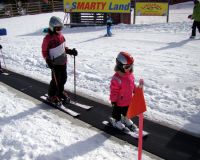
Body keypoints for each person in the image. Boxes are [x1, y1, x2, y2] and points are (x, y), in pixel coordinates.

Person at [42, 16, 78, 105]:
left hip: (63, 62)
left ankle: (60, 92)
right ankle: (51, 95)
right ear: (52, 27)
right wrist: (47, 60)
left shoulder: (61, 36)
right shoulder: (47, 39)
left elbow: (63, 48)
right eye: (58, 28)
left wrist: (70, 51)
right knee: (55, 81)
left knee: (63, 79)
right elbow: (44, 51)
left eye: (61, 28)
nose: (59, 30)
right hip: (54, 64)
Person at [109, 52, 144, 131]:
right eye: (127, 66)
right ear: (120, 66)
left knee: (127, 111)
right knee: (117, 112)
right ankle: (116, 121)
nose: (129, 68)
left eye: (131, 66)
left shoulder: (130, 75)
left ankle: (126, 119)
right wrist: (113, 100)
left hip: (128, 100)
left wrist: (136, 91)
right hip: (119, 102)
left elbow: (132, 85)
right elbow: (113, 91)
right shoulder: (116, 78)